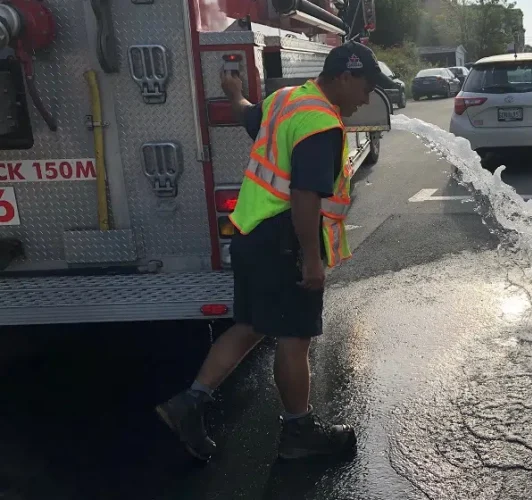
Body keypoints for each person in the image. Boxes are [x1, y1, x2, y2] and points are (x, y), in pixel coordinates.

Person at [155, 41, 392, 461]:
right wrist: (313, 260)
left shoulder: (287, 100)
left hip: (250, 234)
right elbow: (304, 195)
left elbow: (248, 115)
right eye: (366, 86)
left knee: (249, 325)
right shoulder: (320, 123)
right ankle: (298, 429)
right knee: (295, 336)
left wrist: (233, 92)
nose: (367, 97)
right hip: (284, 242)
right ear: (343, 77)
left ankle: (189, 403)